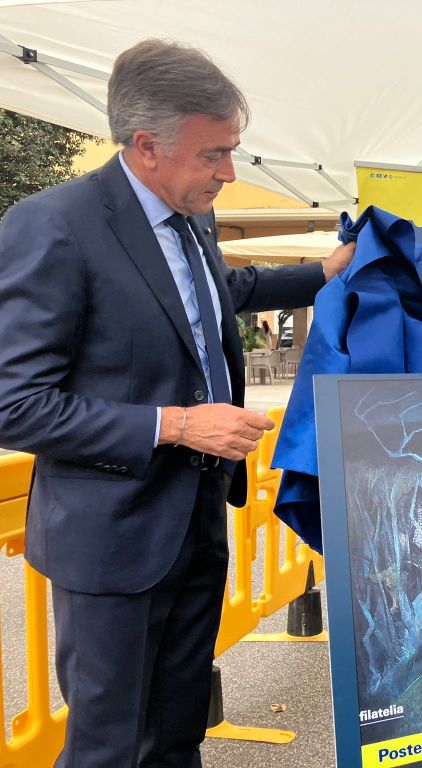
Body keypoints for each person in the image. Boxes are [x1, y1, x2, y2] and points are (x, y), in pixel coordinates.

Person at [0, 40, 354, 767]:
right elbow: (15, 403)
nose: (229, 172)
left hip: (197, 520)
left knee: (176, 733)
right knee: (109, 746)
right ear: (146, 146)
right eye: (213, 154)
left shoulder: (190, 215)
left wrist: (325, 271)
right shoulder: (55, 225)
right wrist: (178, 424)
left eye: (233, 152)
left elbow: (224, 291)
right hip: (113, 539)